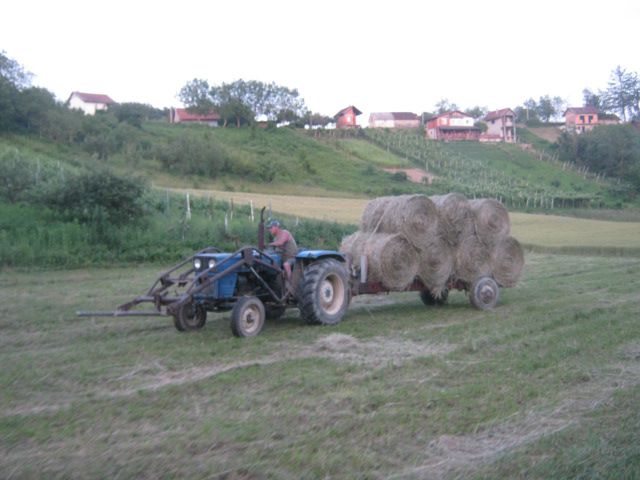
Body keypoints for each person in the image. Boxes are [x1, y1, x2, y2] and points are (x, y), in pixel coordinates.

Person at [267, 220, 298, 290]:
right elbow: (275, 250)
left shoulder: (285, 233)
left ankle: (291, 284)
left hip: (292, 257)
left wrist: (269, 244)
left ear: (276, 227)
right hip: (283, 258)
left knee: (286, 265)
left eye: (270, 228)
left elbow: (280, 243)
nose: (269, 230)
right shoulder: (275, 238)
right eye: (269, 228)